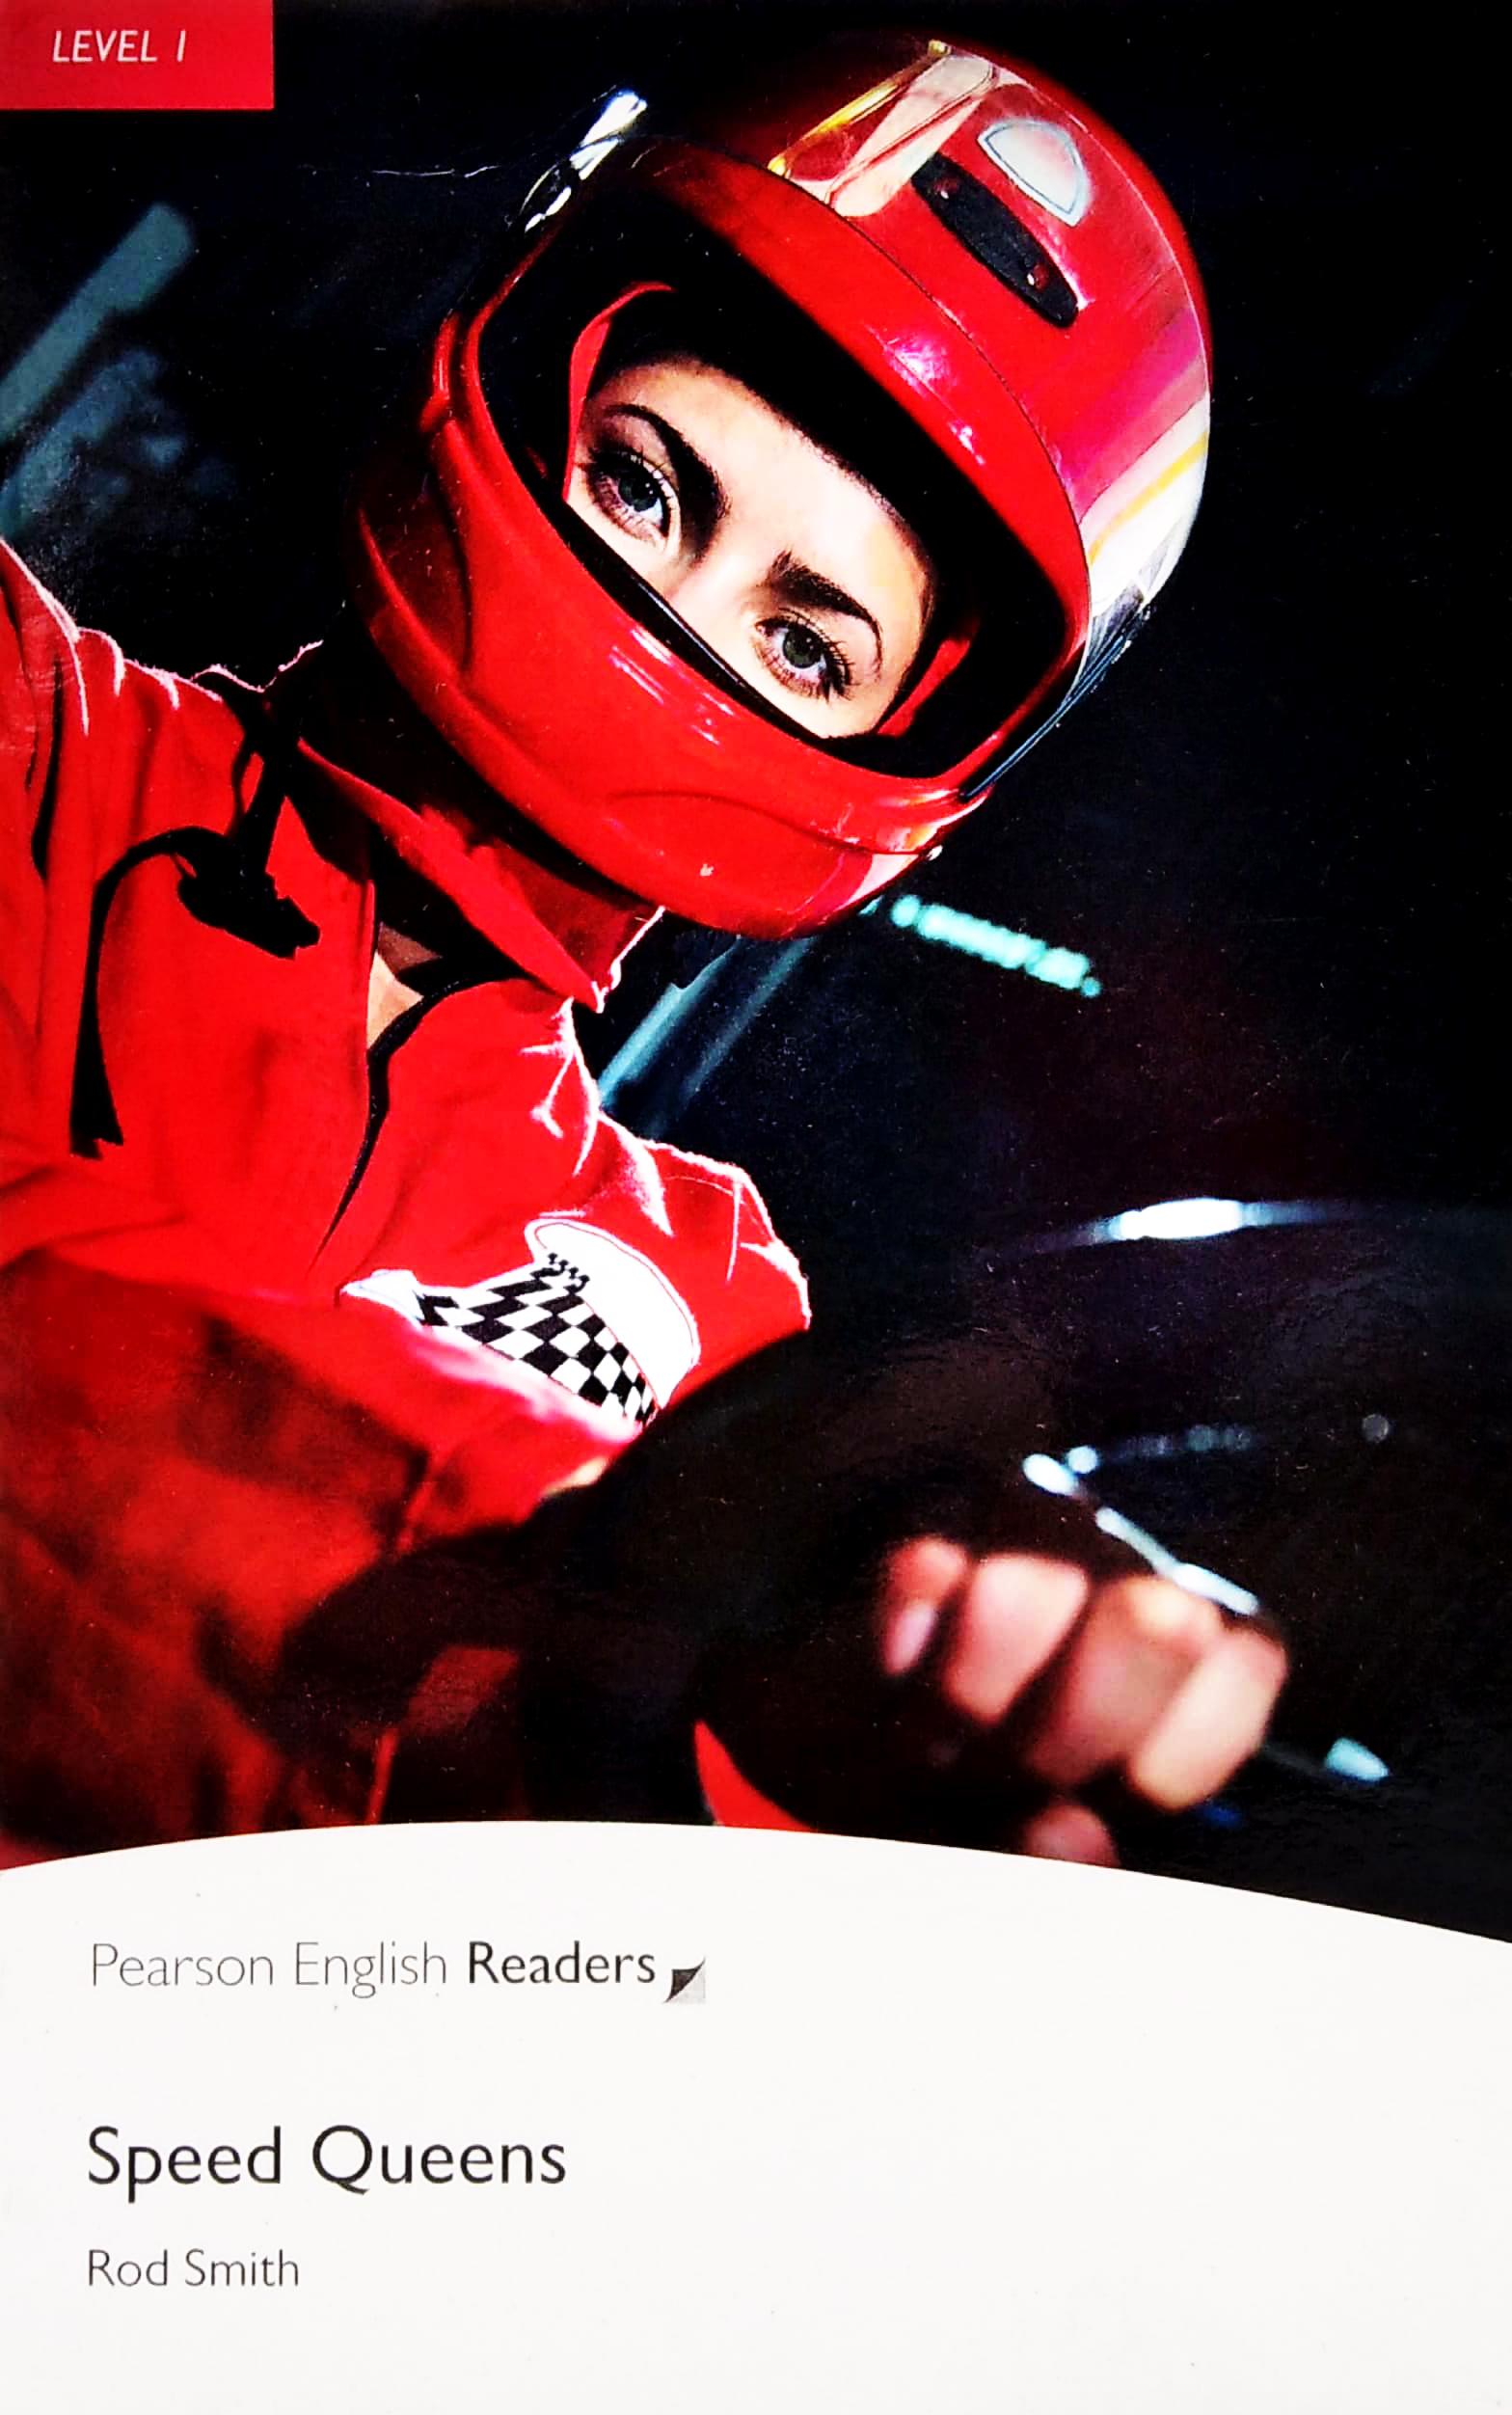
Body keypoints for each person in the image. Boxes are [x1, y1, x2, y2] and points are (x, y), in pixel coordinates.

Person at [0, 32, 1284, 1863]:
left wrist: (891, 1722)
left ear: (906, 751)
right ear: (529, 376)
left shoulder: (701, 1292)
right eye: (645, 487)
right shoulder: (29, 739)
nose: (667, 617)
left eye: (806, 642)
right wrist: (630, 1630)